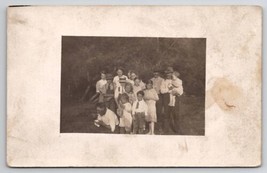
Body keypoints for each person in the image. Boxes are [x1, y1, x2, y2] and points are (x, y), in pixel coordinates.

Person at [160, 67, 174, 133]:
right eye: (167, 73)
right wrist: (168, 90)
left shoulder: (175, 80)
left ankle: (175, 128)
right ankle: (166, 129)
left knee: (174, 114)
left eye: (170, 73)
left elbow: (178, 89)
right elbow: (162, 91)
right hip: (166, 97)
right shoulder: (164, 81)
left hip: (174, 97)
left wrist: (173, 90)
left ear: (172, 73)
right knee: (166, 114)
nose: (168, 74)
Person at [150, 69, 164, 133]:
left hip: (159, 96)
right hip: (152, 96)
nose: (155, 74)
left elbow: (163, 89)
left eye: (157, 73)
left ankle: (159, 127)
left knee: (159, 112)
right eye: (154, 73)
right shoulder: (151, 80)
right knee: (152, 111)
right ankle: (151, 126)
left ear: (159, 73)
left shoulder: (162, 80)